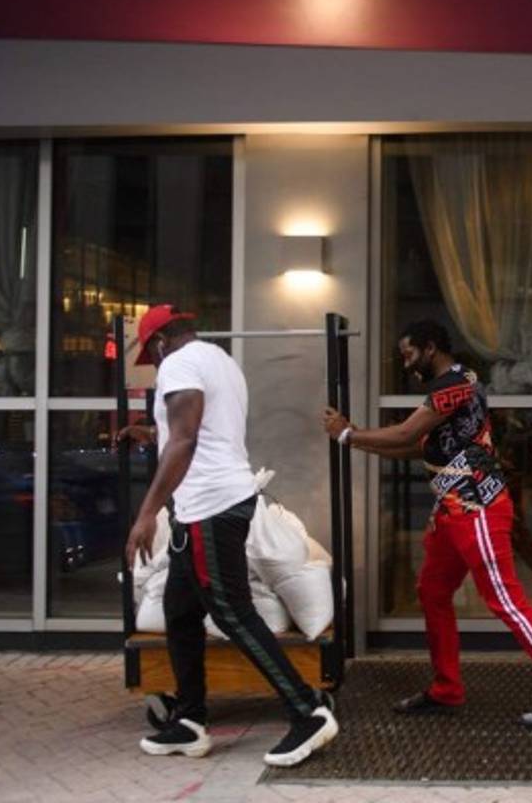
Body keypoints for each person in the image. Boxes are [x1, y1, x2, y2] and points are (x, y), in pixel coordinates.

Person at [322, 319, 532, 727]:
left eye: (410, 354)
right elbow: (416, 446)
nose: (407, 364)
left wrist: (348, 436)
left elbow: (405, 433)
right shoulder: (451, 387)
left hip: (477, 507)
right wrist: (358, 439)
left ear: (430, 348)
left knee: (506, 601)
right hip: (452, 510)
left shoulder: (454, 384)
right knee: (432, 590)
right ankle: (446, 690)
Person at [122, 304, 338, 767]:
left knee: (233, 612)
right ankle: (190, 720)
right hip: (215, 502)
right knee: (180, 611)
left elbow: (186, 438)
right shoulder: (219, 359)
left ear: (160, 342)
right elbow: (195, 431)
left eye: (152, 355)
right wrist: (149, 433)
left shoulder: (179, 363)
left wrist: (146, 515)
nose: (156, 364)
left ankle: (308, 712)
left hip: (209, 508)